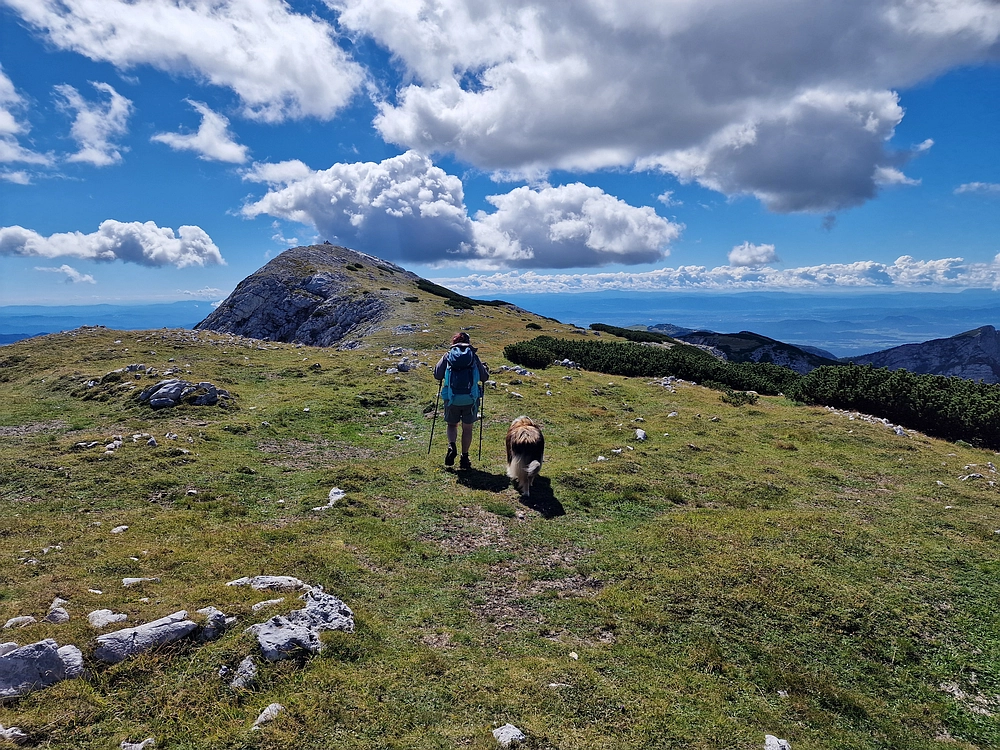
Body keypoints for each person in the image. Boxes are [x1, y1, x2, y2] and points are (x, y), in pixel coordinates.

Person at [433, 332, 489, 469]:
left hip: (452, 398)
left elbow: (437, 375)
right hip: (471, 398)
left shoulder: (448, 355)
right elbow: (484, 377)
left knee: (452, 425)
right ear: (468, 342)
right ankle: (465, 458)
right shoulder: (473, 356)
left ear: (454, 342)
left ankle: (452, 445)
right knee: (467, 428)